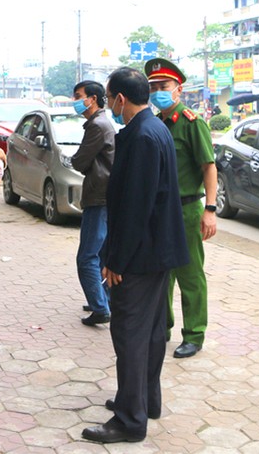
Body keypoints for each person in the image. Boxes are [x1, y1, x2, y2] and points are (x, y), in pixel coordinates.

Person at [81, 67, 189, 444]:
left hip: (141, 254)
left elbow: (135, 206)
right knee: (153, 330)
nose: (108, 103)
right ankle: (145, 400)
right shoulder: (153, 128)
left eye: (109, 97)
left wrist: (115, 260)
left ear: (120, 99)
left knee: (129, 331)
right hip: (156, 250)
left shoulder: (143, 135)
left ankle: (130, 420)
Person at [144, 57, 217, 359]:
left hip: (187, 209)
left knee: (189, 273)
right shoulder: (156, 123)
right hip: (161, 210)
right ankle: (163, 327)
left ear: (178, 89)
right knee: (162, 271)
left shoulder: (191, 122)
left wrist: (210, 209)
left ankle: (195, 334)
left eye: (164, 86)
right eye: (154, 87)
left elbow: (209, 167)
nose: (159, 91)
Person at [69, 80, 115, 326]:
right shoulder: (102, 123)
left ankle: (100, 307)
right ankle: (102, 299)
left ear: (93, 99)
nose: (76, 101)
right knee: (101, 254)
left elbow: (79, 161)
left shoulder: (98, 125)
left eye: (79, 96)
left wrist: (76, 161)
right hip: (104, 197)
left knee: (87, 256)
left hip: (99, 197)